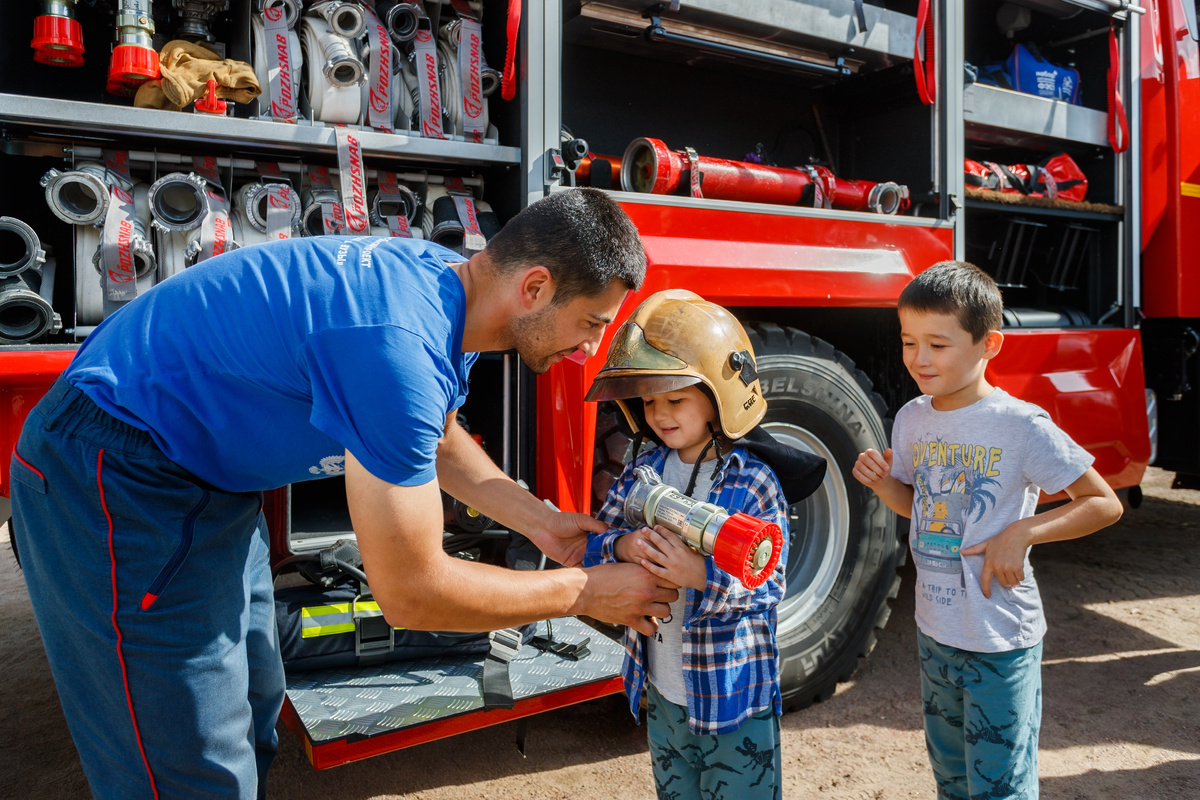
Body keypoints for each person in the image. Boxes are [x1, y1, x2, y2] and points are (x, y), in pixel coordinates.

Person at [9, 187, 679, 800]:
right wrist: (586, 592)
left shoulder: (449, 293)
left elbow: (435, 436)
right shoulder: (396, 343)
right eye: (591, 323)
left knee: (253, 702)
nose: (591, 349)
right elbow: (412, 592)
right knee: (185, 767)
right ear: (535, 287)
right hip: (114, 472)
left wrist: (541, 522)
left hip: (204, 474)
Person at [852, 261, 1124, 800]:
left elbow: (1103, 503)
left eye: (938, 344)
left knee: (1000, 787)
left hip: (1000, 639)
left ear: (988, 344)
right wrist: (885, 487)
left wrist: (1023, 531)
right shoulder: (911, 418)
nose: (919, 359)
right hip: (936, 631)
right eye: (909, 342)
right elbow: (920, 506)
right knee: (952, 778)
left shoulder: (1021, 425)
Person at [582, 290, 826, 800]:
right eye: (649, 401)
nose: (659, 415)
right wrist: (624, 549)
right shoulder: (642, 468)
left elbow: (770, 583)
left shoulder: (753, 481)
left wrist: (699, 575)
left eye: (675, 399)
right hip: (664, 695)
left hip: (733, 699)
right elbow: (596, 541)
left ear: (719, 398)